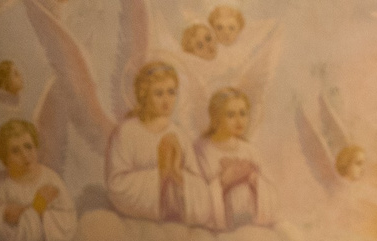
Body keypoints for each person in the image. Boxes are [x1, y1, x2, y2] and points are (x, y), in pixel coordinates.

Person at [104, 60, 216, 227]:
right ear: (144, 95)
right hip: (139, 217)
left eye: (171, 92)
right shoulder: (126, 132)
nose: (167, 100)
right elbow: (116, 185)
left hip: (177, 215)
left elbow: (200, 188)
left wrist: (177, 175)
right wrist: (162, 175)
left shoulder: (179, 134)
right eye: (159, 93)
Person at [0, 118, 77, 241]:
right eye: (15, 151)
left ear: (36, 147)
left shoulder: (50, 179)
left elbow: (67, 219)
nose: (25, 155)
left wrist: (36, 214)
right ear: (5, 157)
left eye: (28, 146)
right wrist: (33, 210)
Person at [194, 89, 268, 229]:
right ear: (216, 118)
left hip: (251, 225)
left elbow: (271, 196)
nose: (239, 120)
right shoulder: (201, 149)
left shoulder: (250, 151)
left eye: (243, 113)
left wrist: (254, 180)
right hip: (216, 227)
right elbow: (196, 197)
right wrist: (222, 182)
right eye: (231, 115)